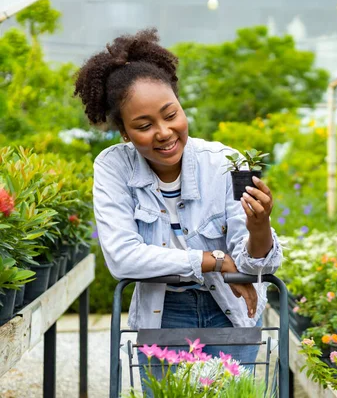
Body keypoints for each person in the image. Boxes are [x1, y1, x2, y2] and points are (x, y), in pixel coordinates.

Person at [74, 28, 283, 394]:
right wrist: (212, 259)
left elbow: (255, 267)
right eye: (143, 125)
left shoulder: (227, 162)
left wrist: (260, 226)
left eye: (171, 114)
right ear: (123, 132)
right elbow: (123, 258)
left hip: (230, 308)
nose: (164, 132)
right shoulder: (112, 167)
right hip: (163, 311)